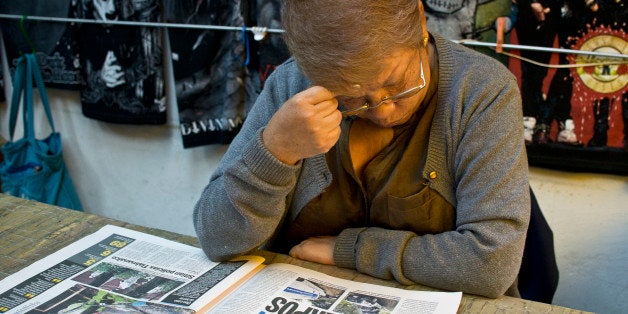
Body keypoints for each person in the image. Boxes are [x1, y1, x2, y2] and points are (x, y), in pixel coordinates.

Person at [194, 0, 531, 299]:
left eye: (397, 85)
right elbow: (218, 239)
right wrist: (275, 152)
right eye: (351, 97)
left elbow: (491, 262)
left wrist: (351, 250)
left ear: (420, 22)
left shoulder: (480, 90)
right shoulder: (292, 85)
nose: (384, 112)